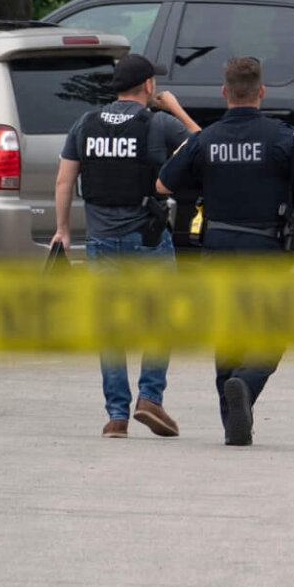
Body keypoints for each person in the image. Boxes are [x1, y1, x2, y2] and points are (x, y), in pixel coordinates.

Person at [155, 56, 294, 446]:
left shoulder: (206, 139)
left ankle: (233, 423)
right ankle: (247, 383)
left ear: (225, 93)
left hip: (217, 248)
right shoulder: (284, 136)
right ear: (262, 92)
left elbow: (163, 185)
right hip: (265, 248)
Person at [50, 52, 201, 439]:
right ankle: (150, 398)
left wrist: (63, 231)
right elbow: (204, 148)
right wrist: (178, 110)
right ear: (149, 86)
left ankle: (116, 415)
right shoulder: (160, 124)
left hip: (101, 244)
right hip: (148, 242)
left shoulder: (85, 124)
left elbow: (65, 181)